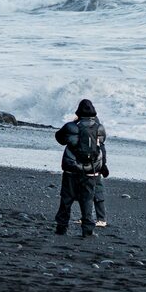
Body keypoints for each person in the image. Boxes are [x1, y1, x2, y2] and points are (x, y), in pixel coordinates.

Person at [53, 98, 107, 236]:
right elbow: (102, 146)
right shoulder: (99, 128)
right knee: (87, 201)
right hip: (91, 170)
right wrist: (103, 165)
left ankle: (62, 227)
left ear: (79, 112)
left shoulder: (71, 126)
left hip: (71, 169)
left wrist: (74, 122)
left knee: (66, 199)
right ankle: (87, 230)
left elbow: (59, 138)